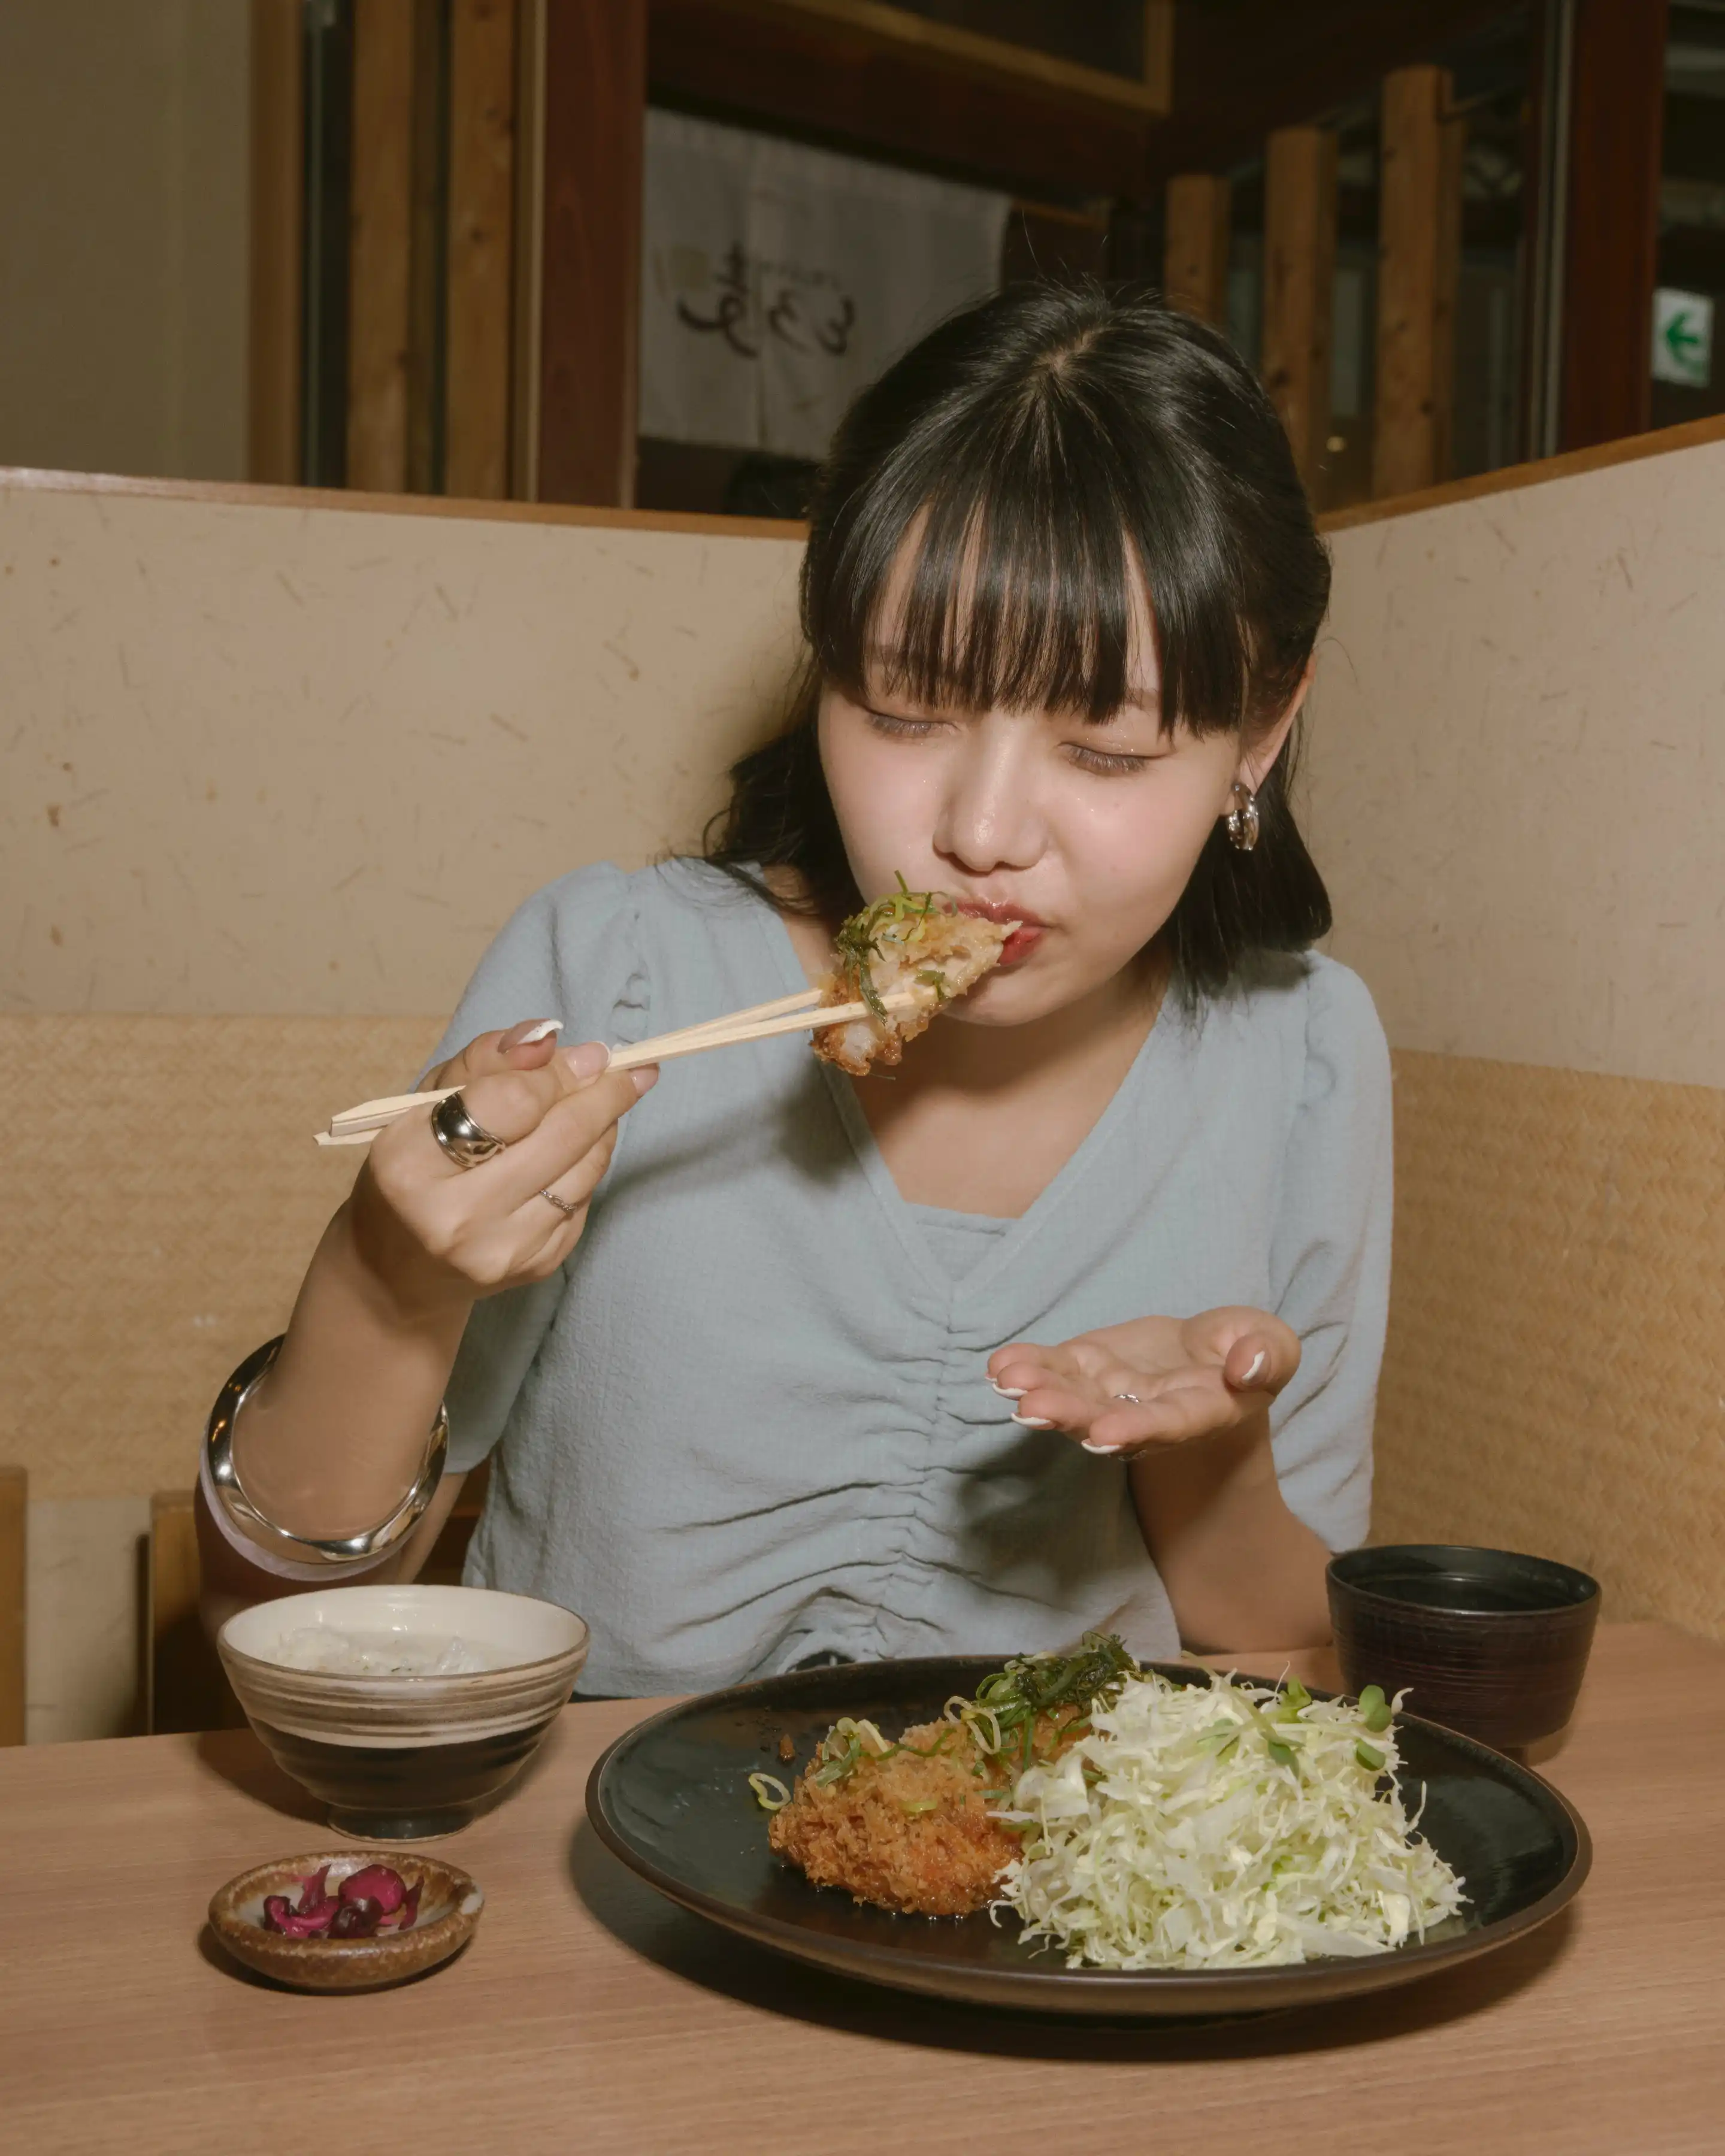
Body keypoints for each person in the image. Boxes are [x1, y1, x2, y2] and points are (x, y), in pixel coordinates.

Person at [198, 284, 1390, 1695]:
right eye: (902, 709)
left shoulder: (1305, 1056)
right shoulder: (617, 973)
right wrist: (388, 1277)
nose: (984, 833)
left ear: (1262, 730)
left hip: (1047, 1889)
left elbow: (1275, 1643)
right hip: (593, 1871)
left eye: (1107, 750)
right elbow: (269, 1620)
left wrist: (1207, 1452)